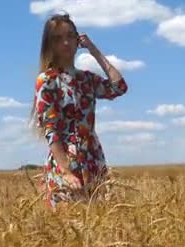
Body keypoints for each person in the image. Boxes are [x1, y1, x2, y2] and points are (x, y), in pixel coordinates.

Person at [30, 13, 128, 209]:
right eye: (58, 38)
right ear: (50, 44)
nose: (66, 42)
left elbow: (119, 87)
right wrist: (65, 171)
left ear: (78, 40)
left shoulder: (87, 79)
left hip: (93, 158)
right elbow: (51, 129)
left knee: (98, 223)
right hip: (65, 159)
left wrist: (94, 51)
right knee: (67, 224)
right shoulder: (47, 80)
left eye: (70, 36)